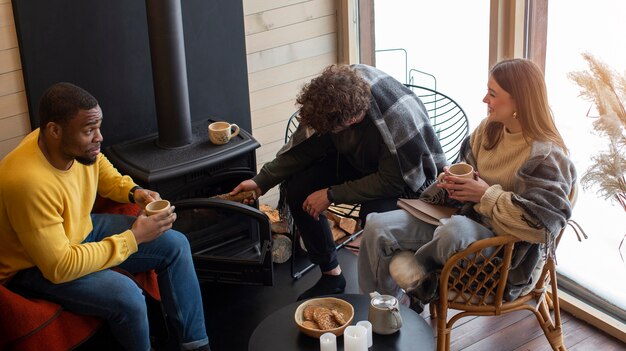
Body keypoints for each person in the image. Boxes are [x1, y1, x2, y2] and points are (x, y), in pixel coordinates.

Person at [0, 82, 255, 351]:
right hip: (35, 266)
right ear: (54, 130)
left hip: (77, 231)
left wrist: (133, 192)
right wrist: (133, 238)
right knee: (127, 295)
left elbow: (99, 166)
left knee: (175, 245)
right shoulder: (26, 181)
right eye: (89, 130)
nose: (100, 138)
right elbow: (59, 266)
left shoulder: (70, 147)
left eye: (99, 127)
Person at [358, 58, 577, 311]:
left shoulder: (547, 156)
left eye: (493, 94)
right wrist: (449, 183)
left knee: (455, 230)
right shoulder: (490, 130)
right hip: (458, 222)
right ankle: (379, 313)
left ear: (519, 101)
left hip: (504, 254)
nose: (485, 99)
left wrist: (485, 195)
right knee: (376, 225)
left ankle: (419, 281)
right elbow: (465, 170)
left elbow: (544, 226)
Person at [231, 64, 447, 300]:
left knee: (375, 219)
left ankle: (398, 294)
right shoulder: (334, 100)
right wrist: (262, 181)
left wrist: (331, 194)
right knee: (299, 188)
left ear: (353, 118)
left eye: (333, 129)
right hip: (356, 160)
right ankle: (332, 275)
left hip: (401, 177)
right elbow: (306, 149)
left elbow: (391, 181)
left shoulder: (396, 120)